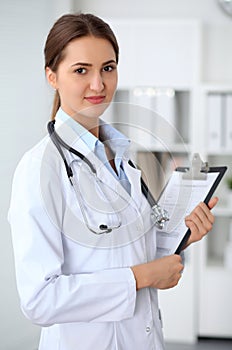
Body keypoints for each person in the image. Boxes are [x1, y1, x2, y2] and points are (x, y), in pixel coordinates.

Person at [8, 13, 218, 350]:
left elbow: (126, 250)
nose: (98, 84)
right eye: (81, 70)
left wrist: (182, 237)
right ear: (52, 77)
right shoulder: (40, 168)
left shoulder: (121, 157)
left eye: (108, 67)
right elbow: (40, 299)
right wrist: (142, 278)